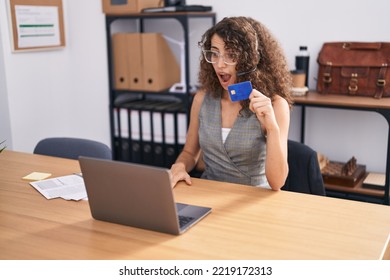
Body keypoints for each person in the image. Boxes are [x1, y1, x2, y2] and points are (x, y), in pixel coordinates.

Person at [170, 16, 293, 190]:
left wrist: (272, 128)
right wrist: (180, 166)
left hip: (254, 200)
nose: (220, 64)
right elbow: (190, 153)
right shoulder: (202, 98)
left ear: (251, 60)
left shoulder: (274, 105)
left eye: (231, 55)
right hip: (208, 194)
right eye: (214, 53)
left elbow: (277, 182)